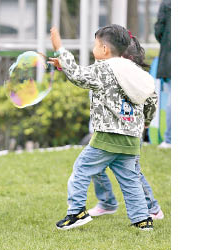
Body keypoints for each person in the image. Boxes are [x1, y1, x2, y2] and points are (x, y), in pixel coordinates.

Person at [49, 24, 158, 231]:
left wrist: (60, 50)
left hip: (108, 136)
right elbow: (151, 98)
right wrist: (146, 122)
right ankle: (142, 220)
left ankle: (77, 212)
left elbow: (79, 76)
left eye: (95, 45)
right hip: (132, 137)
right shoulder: (133, 70)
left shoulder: (104, 68)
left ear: (105, 49)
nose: (94, 48)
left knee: (81, 169)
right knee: (130, 180)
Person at [88, 35, 164, 220]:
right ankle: (107, 202)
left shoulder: (137, 78)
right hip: (106, 130)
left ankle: (152, 208)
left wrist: (145, 121)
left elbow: (151, 100)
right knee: (93, 166)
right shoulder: (105, 70)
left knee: (132, 170)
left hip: (130, 132)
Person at [155, 0, 171, 148]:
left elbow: (159, 31)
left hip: (170, 59)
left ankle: (170, 139)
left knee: (172, 98)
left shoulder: (167, 3)